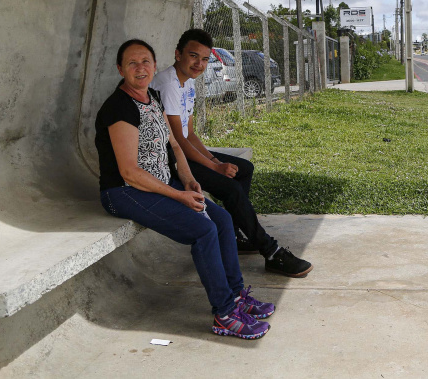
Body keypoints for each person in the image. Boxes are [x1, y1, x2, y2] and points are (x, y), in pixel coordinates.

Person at [95, 39, 275, 340]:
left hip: (160, 183)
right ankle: (224, 314)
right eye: (132, 63)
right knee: (203, 230)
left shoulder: (152, 96)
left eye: (146, 61)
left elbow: (175, 145)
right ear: (120, 69)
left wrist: (189, 180)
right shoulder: (119, 107)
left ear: (155, 65)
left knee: (222, 219)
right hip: (124, 192)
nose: (140, 68)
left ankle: (236, 296)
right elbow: (129, 172)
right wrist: (179, 195)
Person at [151, 29, 313, 278]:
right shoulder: (167, 84)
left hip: (182, 150)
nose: (199, 64)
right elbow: (178, 141)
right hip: (169, 160)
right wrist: (215, 167)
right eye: (193, 56)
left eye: (205, 59)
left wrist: (215, 160)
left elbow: (190, 133)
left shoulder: (188, 82)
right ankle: (271, 252)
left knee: (244, 169)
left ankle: (237, 235)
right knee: (232, 188)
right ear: (178, 54)